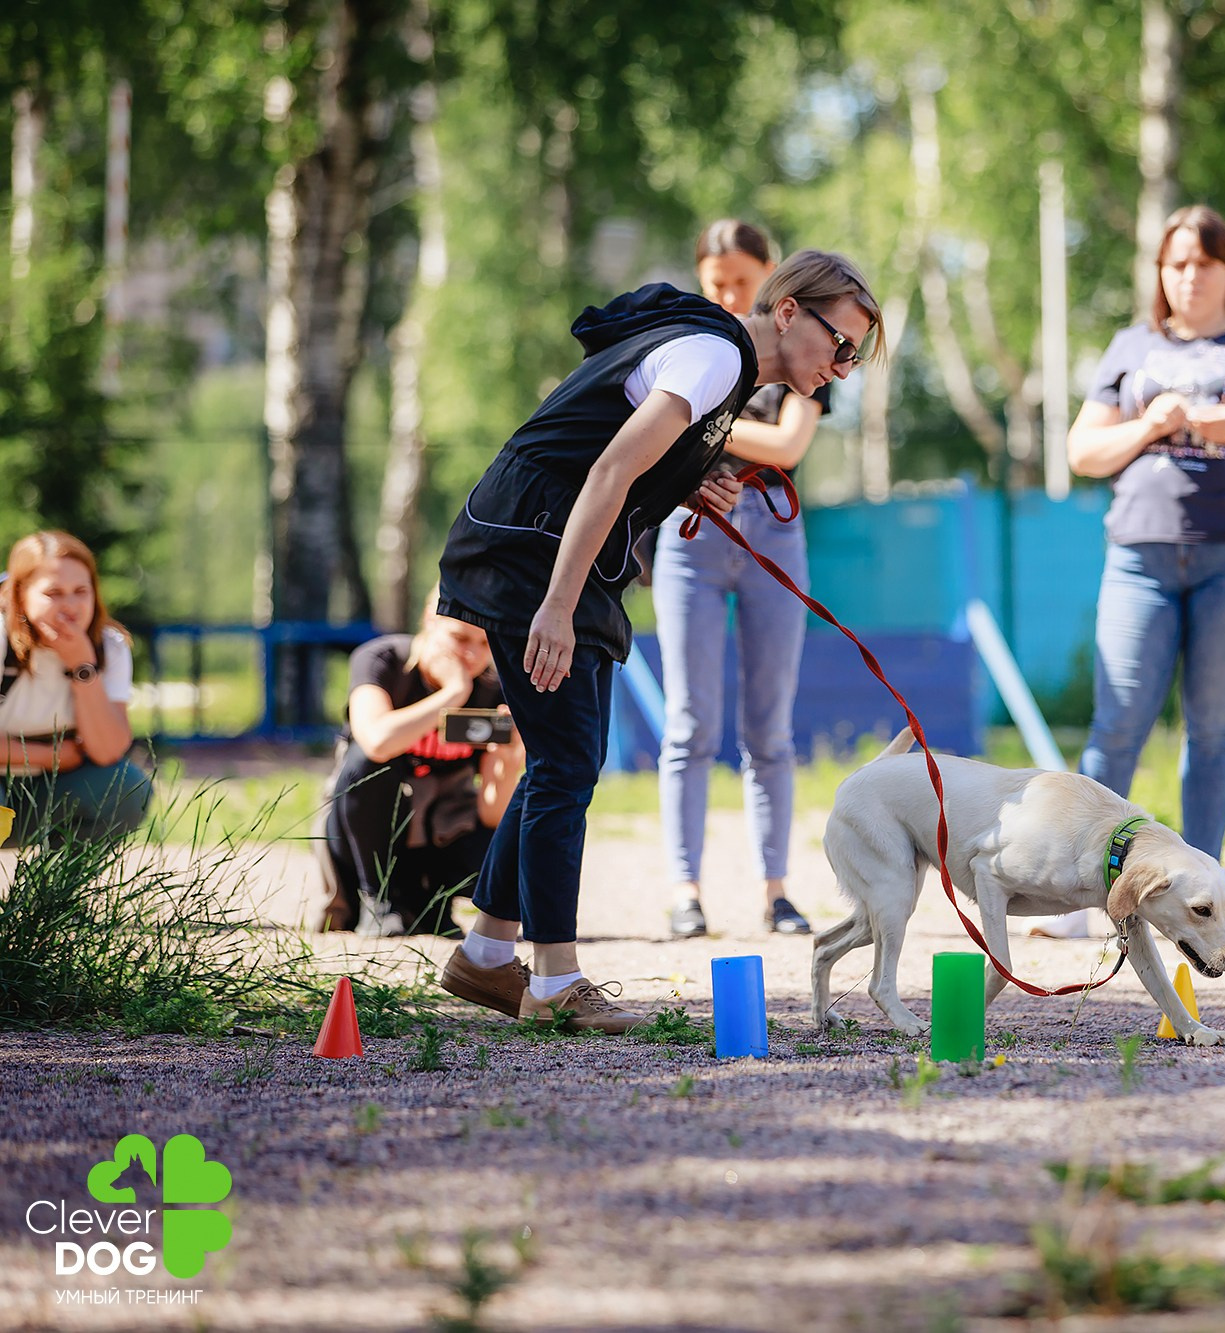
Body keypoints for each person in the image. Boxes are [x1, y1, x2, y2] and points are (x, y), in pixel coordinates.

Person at [434, 250, 880, 1033]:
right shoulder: (714, 355)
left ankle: (486, 954)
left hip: (551, 546)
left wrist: (683, 479)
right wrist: (557, 606)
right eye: (840, 345)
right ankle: (555, 979)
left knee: (559, 760)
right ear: (786, 312)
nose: (842, 369)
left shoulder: (724, 367)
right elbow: (605, 472)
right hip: (530, 551)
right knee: (567, 763)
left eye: (855, 357)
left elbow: (623, 448)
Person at [1065, 205, 1225, 921]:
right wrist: (1149, 423)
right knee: (1116, 726)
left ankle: (1198, 892)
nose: (1189, 276)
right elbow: (1081, 453)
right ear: (1160, 273)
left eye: (1204, 263)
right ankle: (1087, 885)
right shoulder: (1132, 345)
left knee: (1212, 727)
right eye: (1175, 263)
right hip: (1139, 560)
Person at [652, 221, 830, 941]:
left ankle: (777, 891)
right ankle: (685, 890)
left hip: (774, 529)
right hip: (687, 533)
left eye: (742, 281)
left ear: (774, 279)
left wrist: (694, 423)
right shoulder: (691, 340)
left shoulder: (805, 349)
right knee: (688, 721)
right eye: (715, 282)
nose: (728, 294)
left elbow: (787, 442)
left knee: (770, 726)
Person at [317, 597, 525, 937]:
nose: (472, 655)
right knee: (367, 762)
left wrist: (508, 762)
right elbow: (376, 741)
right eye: (460, 638)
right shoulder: (383, 660)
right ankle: (378, 900)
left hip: (437, 830)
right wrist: (454, 692)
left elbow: (490, 819)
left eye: (486, 643)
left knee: (514, 849)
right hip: (361, 832)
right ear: (430, 620)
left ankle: (432, 904)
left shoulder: (494, 687)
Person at [0, 531, 152, 845]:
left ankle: (53, 892)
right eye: (53, 593)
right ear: (19, 595)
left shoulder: (109, 646)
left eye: (80, 591)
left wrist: (83, 667)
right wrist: (52, 756)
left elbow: (108, 750)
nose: (70, 606)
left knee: (127, 788)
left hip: (40, 793)